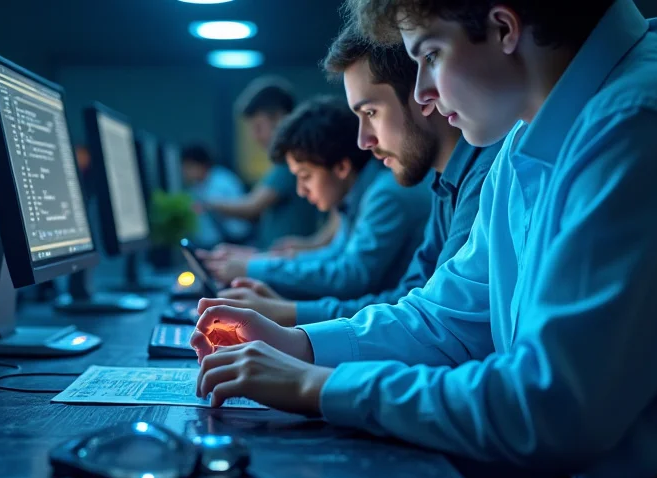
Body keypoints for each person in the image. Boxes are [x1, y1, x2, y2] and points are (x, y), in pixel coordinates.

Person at [192, 0, 657, 478]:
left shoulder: (647, 120)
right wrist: (300, 345)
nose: (424, 94)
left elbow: (548, 407)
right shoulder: (525, 138)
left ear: (505, 28)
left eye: (431, 56)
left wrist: (315, 386)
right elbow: (446, 319)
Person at [200, 27, 502, 326]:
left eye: (370, 112)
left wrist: (288, 316)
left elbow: (364, 282)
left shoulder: (398, 191)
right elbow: (412, 300)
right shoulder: (443, 185)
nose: (363, 141)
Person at [207, 95, 430, 299]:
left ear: (341, 167)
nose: (301, 190)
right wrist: (257, 260)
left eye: (306, 177)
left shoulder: (385, 195)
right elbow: (334, 256)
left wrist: (252, 267)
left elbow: (349, 276)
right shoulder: (357, 195)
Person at [199, 77, 322, 250]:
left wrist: (206, 203)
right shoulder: (284, 162)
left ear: (279, 119)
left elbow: (252, 206)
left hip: (287, 262)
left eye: (258, 127)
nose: (255, 137)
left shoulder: (290, 162)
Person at [180, 144, 251, 248]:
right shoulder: (196, 187)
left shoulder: (223, 181)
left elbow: (241, 212)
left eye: (188, 167)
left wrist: (208, 205)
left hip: (235, 242)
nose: (185, 172)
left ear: (201, 165)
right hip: (213, 244)